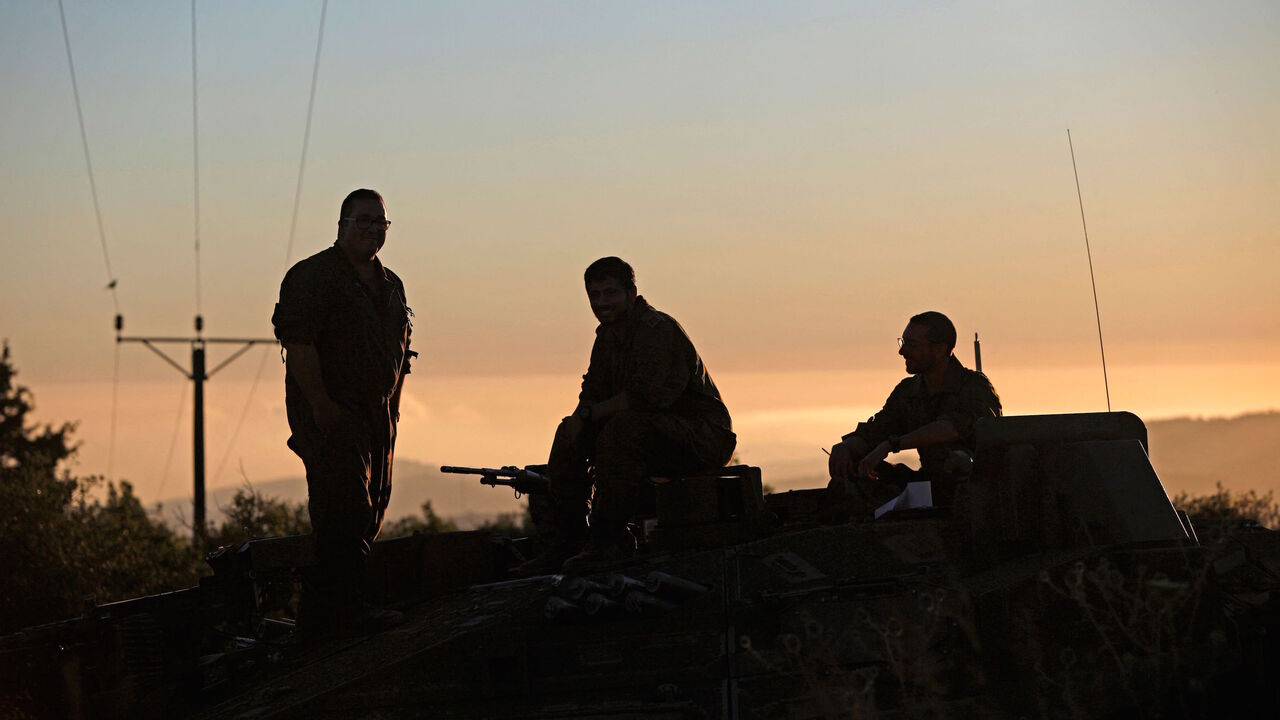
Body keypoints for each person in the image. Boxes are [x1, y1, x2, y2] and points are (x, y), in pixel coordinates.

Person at [519, 257, 736, 573]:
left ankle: (610, 541)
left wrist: (592, 413)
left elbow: (648, 396)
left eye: (610, 293)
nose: (602, 303)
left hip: (702, 436)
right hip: (650, 432)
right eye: (595, 295)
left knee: (621, 429)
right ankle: (570, 541)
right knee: (569, 432)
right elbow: (593, 391)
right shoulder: (607, 338)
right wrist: (580, 419)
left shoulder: (658, 330)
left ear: (631, 293)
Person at [271, 188, 415, 638]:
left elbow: (400, 353)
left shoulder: (390, 285)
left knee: (370, 511)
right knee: (343, 512)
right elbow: (299, 344)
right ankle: (346, 613)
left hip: (378, 418)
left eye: (381, 223)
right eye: (364, 221)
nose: (373, 229)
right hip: (333, 414)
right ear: (342, 226)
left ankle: (319, 617)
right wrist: (320, 406)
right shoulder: (312, 277)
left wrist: (392, 410)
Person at [828, 311, 1001, 512]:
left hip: (977, 492)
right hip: (929, 485)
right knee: (855, 468)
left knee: (960, 462)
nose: (902, 352)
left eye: (912, 344)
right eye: (903, 342)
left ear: (939, 350)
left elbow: (952, 427)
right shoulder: (908, 391)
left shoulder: (974, 387)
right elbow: (878, 429)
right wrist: (845, 448)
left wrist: (892, 445)